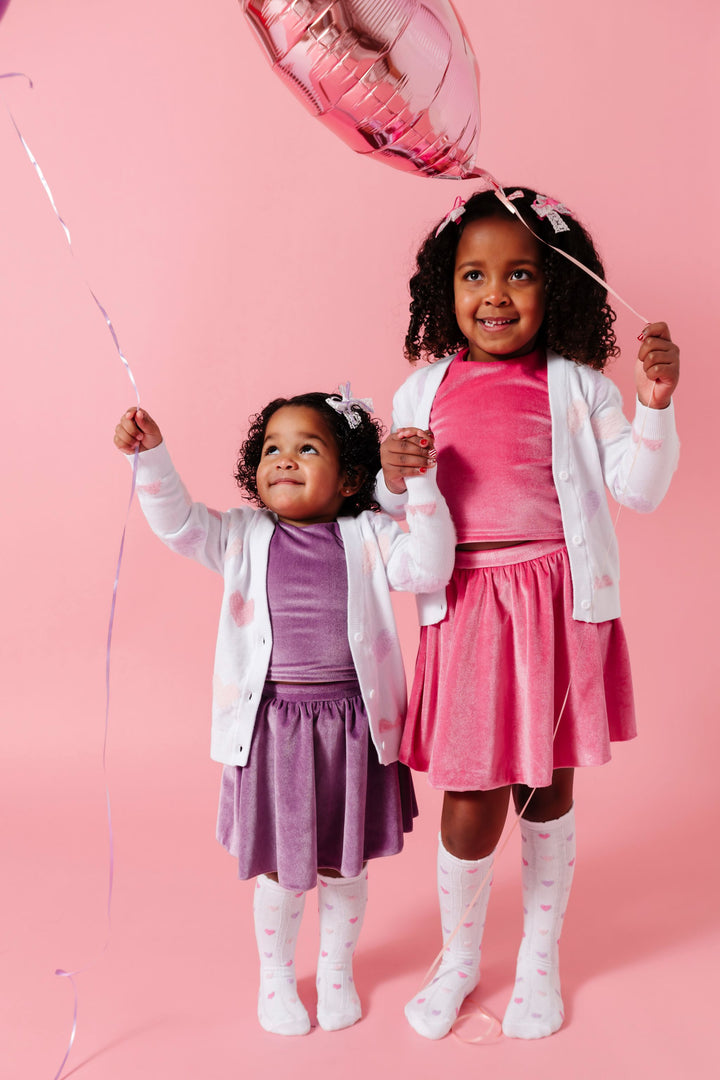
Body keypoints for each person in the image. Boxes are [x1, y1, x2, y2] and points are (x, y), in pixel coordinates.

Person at [376, 187, 680, 1041]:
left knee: (544, 786)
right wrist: (394, 475)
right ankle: (461, 957)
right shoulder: (419, 393)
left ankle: (540, 959)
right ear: (447, 288)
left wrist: (653, 400)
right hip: (468, 609)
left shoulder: (583, 388)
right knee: (469, 796)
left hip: (555, 605)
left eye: (521, 274)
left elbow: (639, 489)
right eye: (474, 274)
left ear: (560, 288)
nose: (496, 294)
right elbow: (389, 510)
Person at [114, 388, 455, 1037]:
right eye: (272, 447)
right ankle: (275, 976)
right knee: (281, 866)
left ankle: (334, 970)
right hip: (273, 732)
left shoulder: (369, 534)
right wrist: (152, 457)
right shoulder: (240, 536)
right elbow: (178, 524)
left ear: (351, 476)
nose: (284, 459)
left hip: (353, 729)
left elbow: (431, 565)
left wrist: (423, 489)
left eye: (307, 447)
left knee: (343, 863)